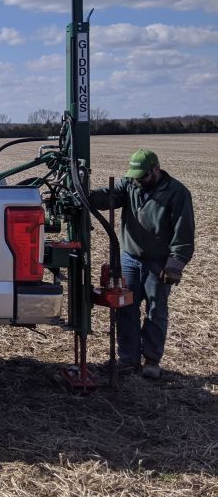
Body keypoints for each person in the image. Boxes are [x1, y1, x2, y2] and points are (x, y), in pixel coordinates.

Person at [89, 149, 195, 378]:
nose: (138, 180)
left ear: (155, 170)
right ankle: (128, 359)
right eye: (135, 176)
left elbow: (183, 232)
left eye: (142, 176)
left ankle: (151, 360)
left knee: (156, 311)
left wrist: (175, 264)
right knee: (125, 309)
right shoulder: (130, 184)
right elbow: (110, 196)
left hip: (159, 262)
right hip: (129, 258)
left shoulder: (177, 192)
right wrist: (83, 195)